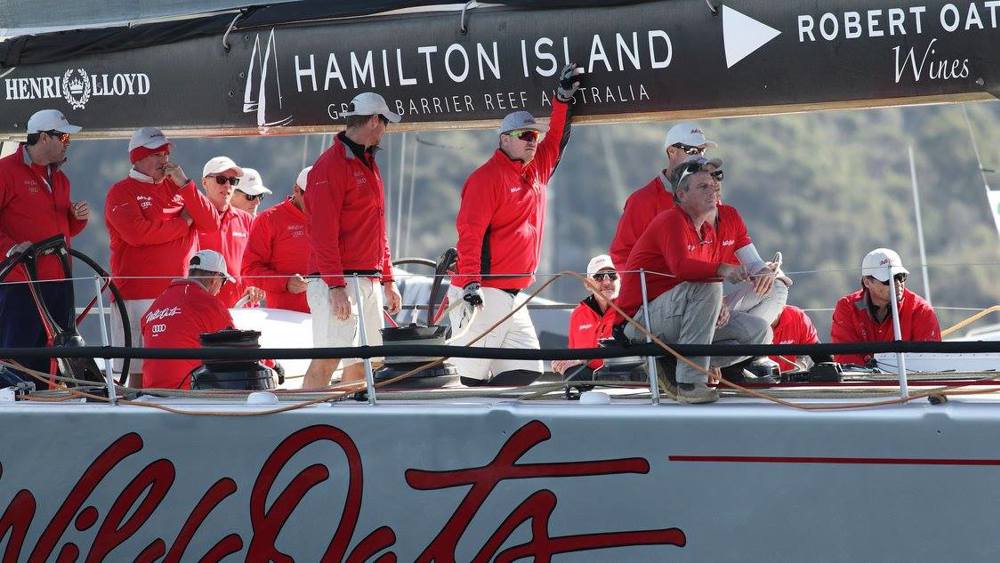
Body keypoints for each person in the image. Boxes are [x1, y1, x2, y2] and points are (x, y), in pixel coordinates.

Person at [449, 62, 583, 387]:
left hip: (515, 293)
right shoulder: (485, 179)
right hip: (485, 292)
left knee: (526, 370)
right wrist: (469, 283)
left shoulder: (535, 170)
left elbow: (558, 138)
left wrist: (562, 99)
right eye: (525, 135)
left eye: (533, 135)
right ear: (505, 139)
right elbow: (470, 233)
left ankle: (494, 426)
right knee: (467, 378)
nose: (532, 141)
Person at [616, 158, 773, 403]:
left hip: (676, 316)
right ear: (681, 194)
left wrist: (718, 300)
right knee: (710, 287)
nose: (713, 190)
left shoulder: (707, 229)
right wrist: (723, 271)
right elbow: (683, 269)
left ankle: (676, 364)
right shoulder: (671, 220)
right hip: (639, 321)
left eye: (713, 184)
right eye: (703, 187)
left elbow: (698, 277)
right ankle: (689, 383)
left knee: (759, 332)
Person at [105, 127, 220, 387]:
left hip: (178, 295)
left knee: (179, 364)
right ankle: (134, 420)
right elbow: (138, 234)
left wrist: (186, 184)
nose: (164, 159)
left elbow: (211, 223)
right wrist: (182, 224)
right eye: (157, 154)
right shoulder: (120, 191)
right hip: (136, 295)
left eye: (166, 152)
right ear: (138, 158)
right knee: (136, 369)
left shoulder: (178, 187)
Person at [303, 92, 403, 388]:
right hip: (339, 281)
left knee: (366, 364)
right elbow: (322, 233)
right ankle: (300, 421)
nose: (386, 129)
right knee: (327, 360)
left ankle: (350, 424)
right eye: (384, 122)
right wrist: (335, 286)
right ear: (374, 121)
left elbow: (378, 227)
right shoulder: (330, 166)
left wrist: (388, 279)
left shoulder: (368, 163)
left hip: (364, 280)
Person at [0, 109, 88, 389]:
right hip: (20, 282)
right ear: (43, 138)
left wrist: (77, 220)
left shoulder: (61, 179)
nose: (67, 142)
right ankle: (12, 410)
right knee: (19, 353)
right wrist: (11, 248)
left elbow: (62, 231)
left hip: (60, 281)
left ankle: (47, 407)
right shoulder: (5, 171)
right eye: (63, 136)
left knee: (56, 354)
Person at [608, 123, 716, 268]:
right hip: (662, 289)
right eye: (692, 150)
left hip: (706, 285)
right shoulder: (642, 200)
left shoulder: (709, 195)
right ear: (672, 151)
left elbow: (725, 240)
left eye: (702, 151)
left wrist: (752, 267)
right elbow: (622, 254)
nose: (699, 157)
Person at [141, 250, 236, 389]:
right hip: (188, 394)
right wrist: (273, 365)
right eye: (224, 282)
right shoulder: (209, 304)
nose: (221, 290)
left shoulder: (157, 303)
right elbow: (239, 346)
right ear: (215, 279)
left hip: (152, 392)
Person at [830, 248, 940, 365]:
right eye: (888, 280)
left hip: (907, 382)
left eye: (900, 276)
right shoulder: (846, 307)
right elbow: (844, 358)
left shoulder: (922, 310)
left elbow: (930, 362)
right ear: (867, 282)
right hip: (864, 382)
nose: (898, 283)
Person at [196, 156, 263, 308]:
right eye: (221, 179)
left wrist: (255, 284)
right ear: (204, 182)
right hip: (203, 309)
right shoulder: (192, 218)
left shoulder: (247, 220)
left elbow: (260, 262)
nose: (227, 185)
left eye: (233, 181)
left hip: (242, 308)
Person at [242, 166, 311, 313]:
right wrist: (285, 282)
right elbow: (250, 269)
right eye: (310, 197)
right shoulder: (268, 219)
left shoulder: (332, 216)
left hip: (330, 316)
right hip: (285, 317)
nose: (316, 204)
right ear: (296, 190)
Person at [552, 254, 619, 378]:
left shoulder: (629, 310)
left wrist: (584, 360)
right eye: (599, 277)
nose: (607, 282)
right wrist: (563, 361)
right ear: (588, 284)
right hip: (592, 378)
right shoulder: (578, 314)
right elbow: (574, 354)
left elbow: (632, 357)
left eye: (612, 275)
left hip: (623, 375)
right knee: (571, 373)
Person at [769, 305, 821, 372]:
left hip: (794, 379)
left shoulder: (798, 316)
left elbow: (818, 354)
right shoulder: (752, 321)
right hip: (757, 380)